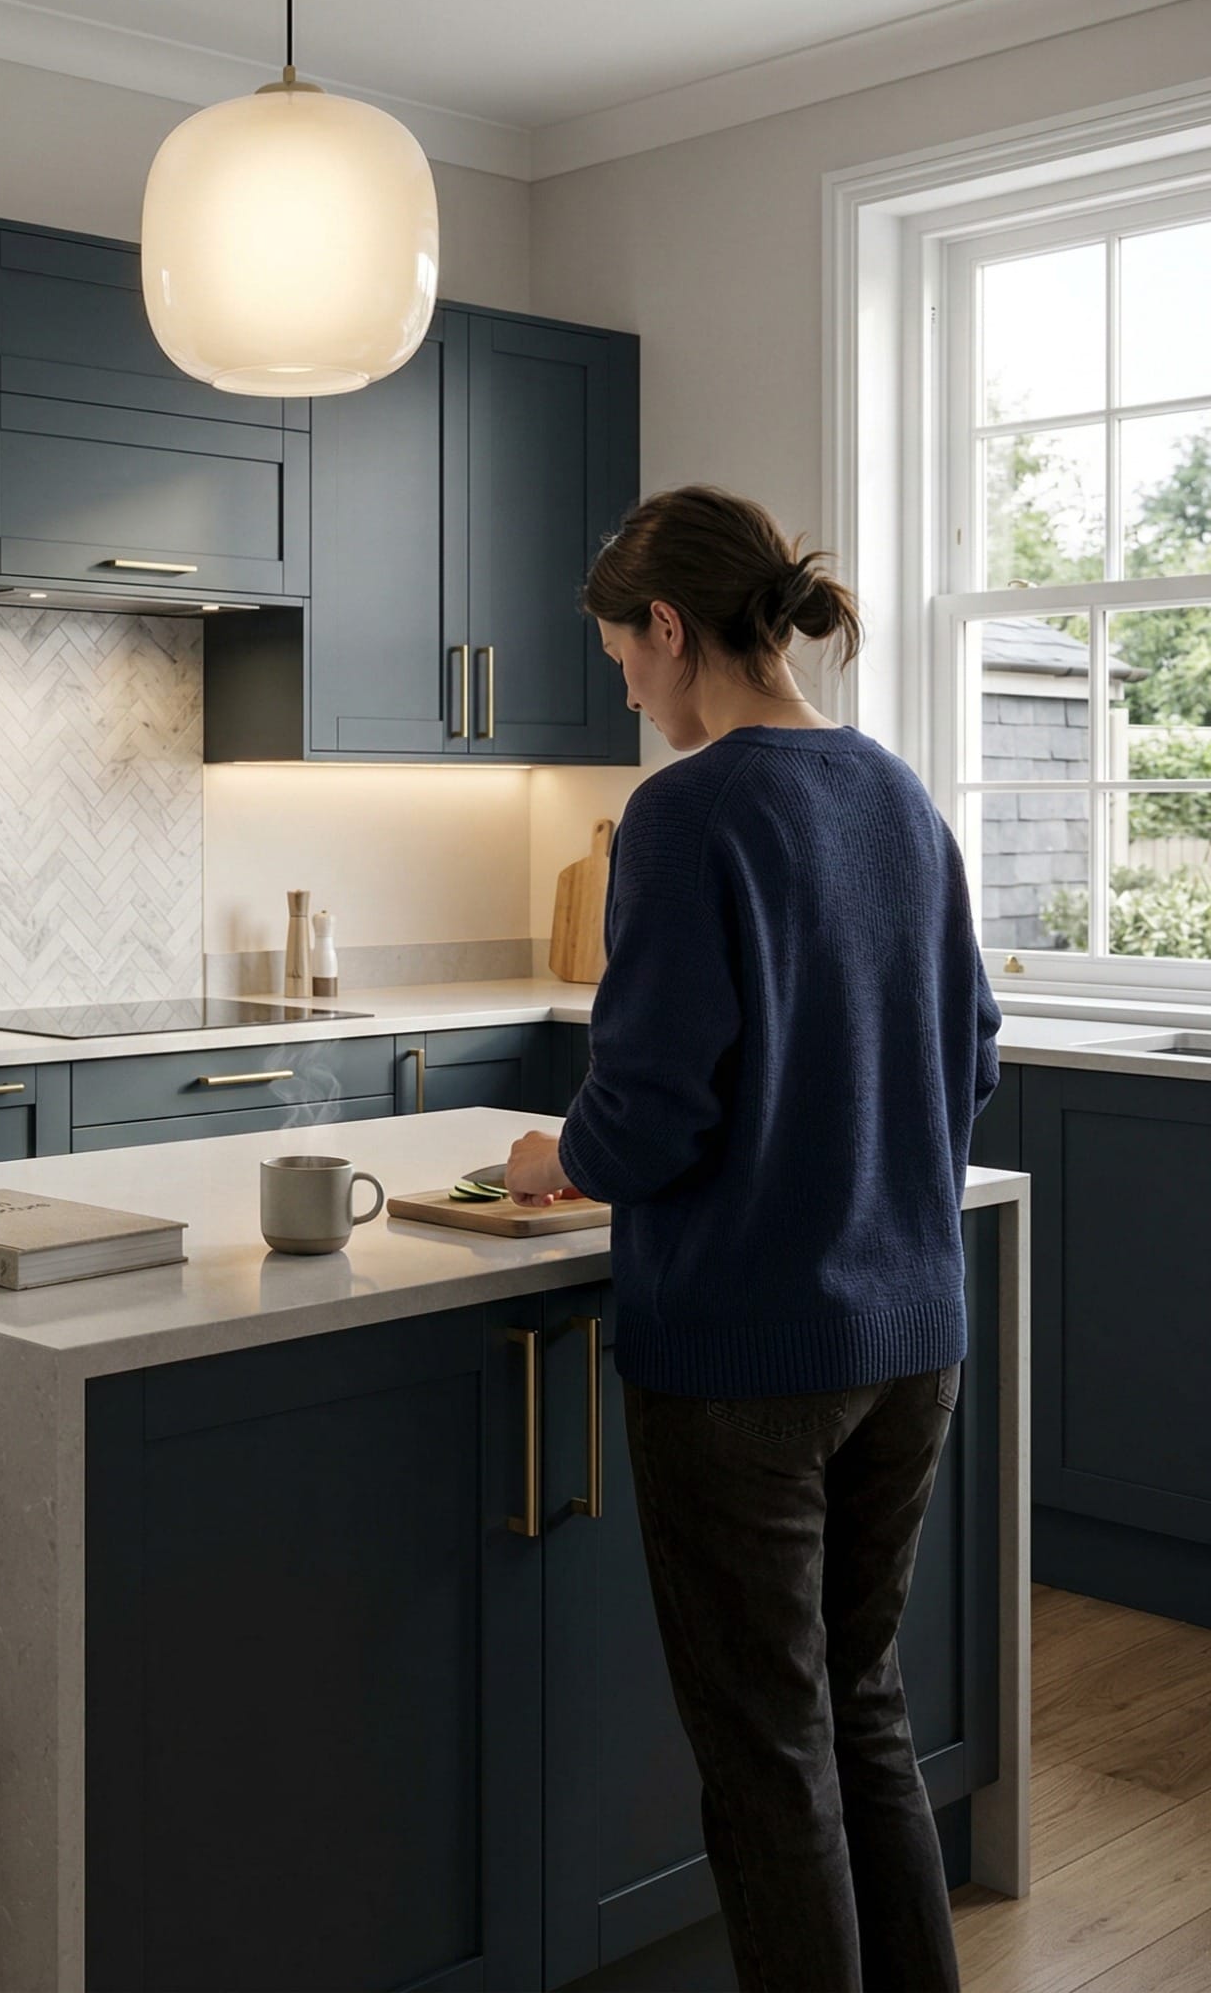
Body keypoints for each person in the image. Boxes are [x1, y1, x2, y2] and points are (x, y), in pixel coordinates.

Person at [505, 485, 1000, 1993]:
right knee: (861, 1714)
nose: (630, 692)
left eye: (622, 658)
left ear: (670, 628)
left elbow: (649, 1112)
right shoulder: (897, 794)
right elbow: (968, 1049)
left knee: (770, 1763)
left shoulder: (690, 812)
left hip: (741, 1367)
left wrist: (558, 1156)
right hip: (911, 1339)